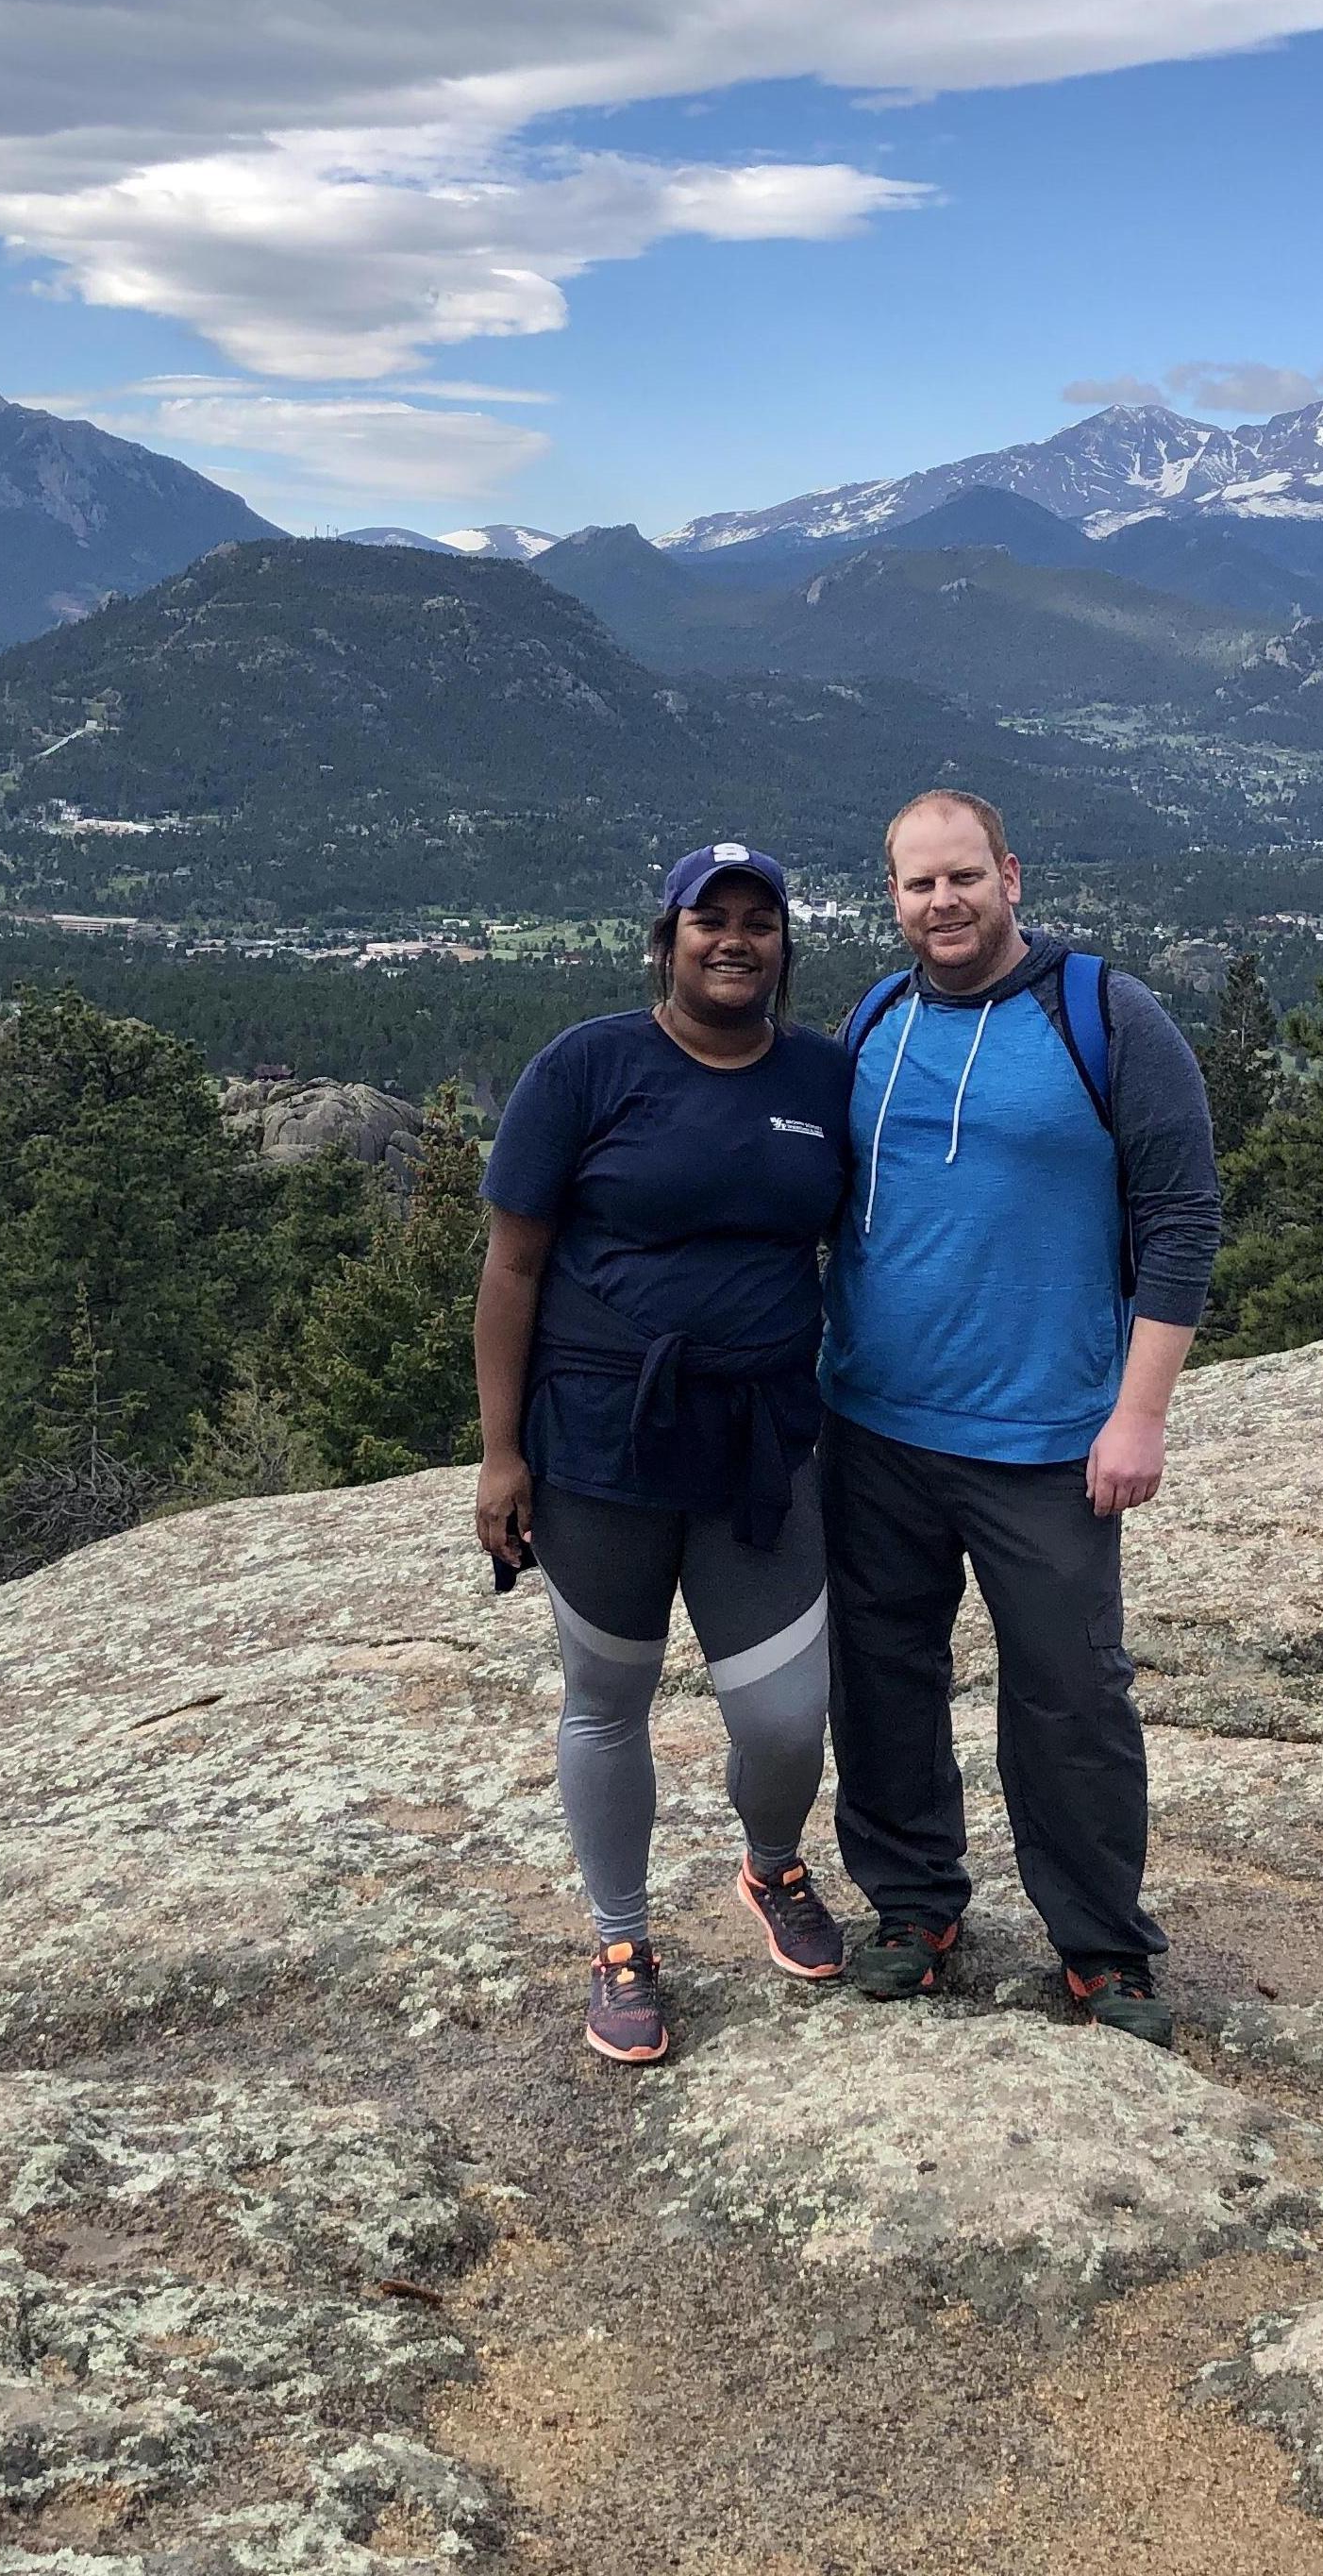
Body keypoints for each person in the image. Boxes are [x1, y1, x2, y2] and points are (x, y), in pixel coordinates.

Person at [820, 789, 1221, 2046]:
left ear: (1010, 876)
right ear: (891, 897)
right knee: (881, 1680)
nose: (941, 903)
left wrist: (1139, 1415)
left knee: (1069, 1696)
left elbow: (1182, 1222)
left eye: (962, 878)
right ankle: (914, 1907)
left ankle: (1103, 1945)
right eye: (916, 884)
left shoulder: (1106, 1015)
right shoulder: (876, 1018)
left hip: (1047, 1437)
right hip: (874, 1424)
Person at [474, 842, 856, 2064]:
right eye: (710, 920)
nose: (734, 940)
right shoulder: (590, 1068)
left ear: (784, 945)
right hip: (599, 1443)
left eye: (759, 921)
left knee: (790, 1716)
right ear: (669, 939)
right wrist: (498, 1453)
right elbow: (513, 1265)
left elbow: (861, 1251)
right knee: (609, 1702)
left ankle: (770, 1865)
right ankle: (623, 1942)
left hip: (761, 1438)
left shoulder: (823, 1078)